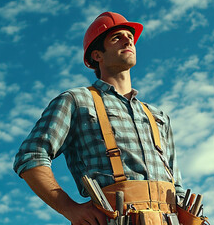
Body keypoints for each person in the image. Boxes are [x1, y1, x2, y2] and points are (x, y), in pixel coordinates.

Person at [13, 12, 184, 225]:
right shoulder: (76, 101)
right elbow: (31, 154)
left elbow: (177, 187)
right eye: (116, 38)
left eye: (129, 36)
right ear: (97, 55)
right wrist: (70, 209)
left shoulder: (158, 116)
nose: (128, 40)